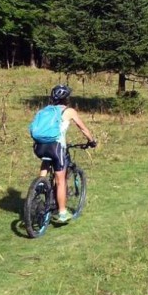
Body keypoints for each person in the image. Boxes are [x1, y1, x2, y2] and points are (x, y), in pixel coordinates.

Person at [33, 84, 96, 223]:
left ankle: (39, 186)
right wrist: (92, 141)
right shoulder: (69, 111)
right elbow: (83, 128)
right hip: (56, 148)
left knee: (47, 160)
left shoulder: (45, 110)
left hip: (39, 147)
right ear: (66, 98)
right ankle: (62, 213)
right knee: (61, 181)